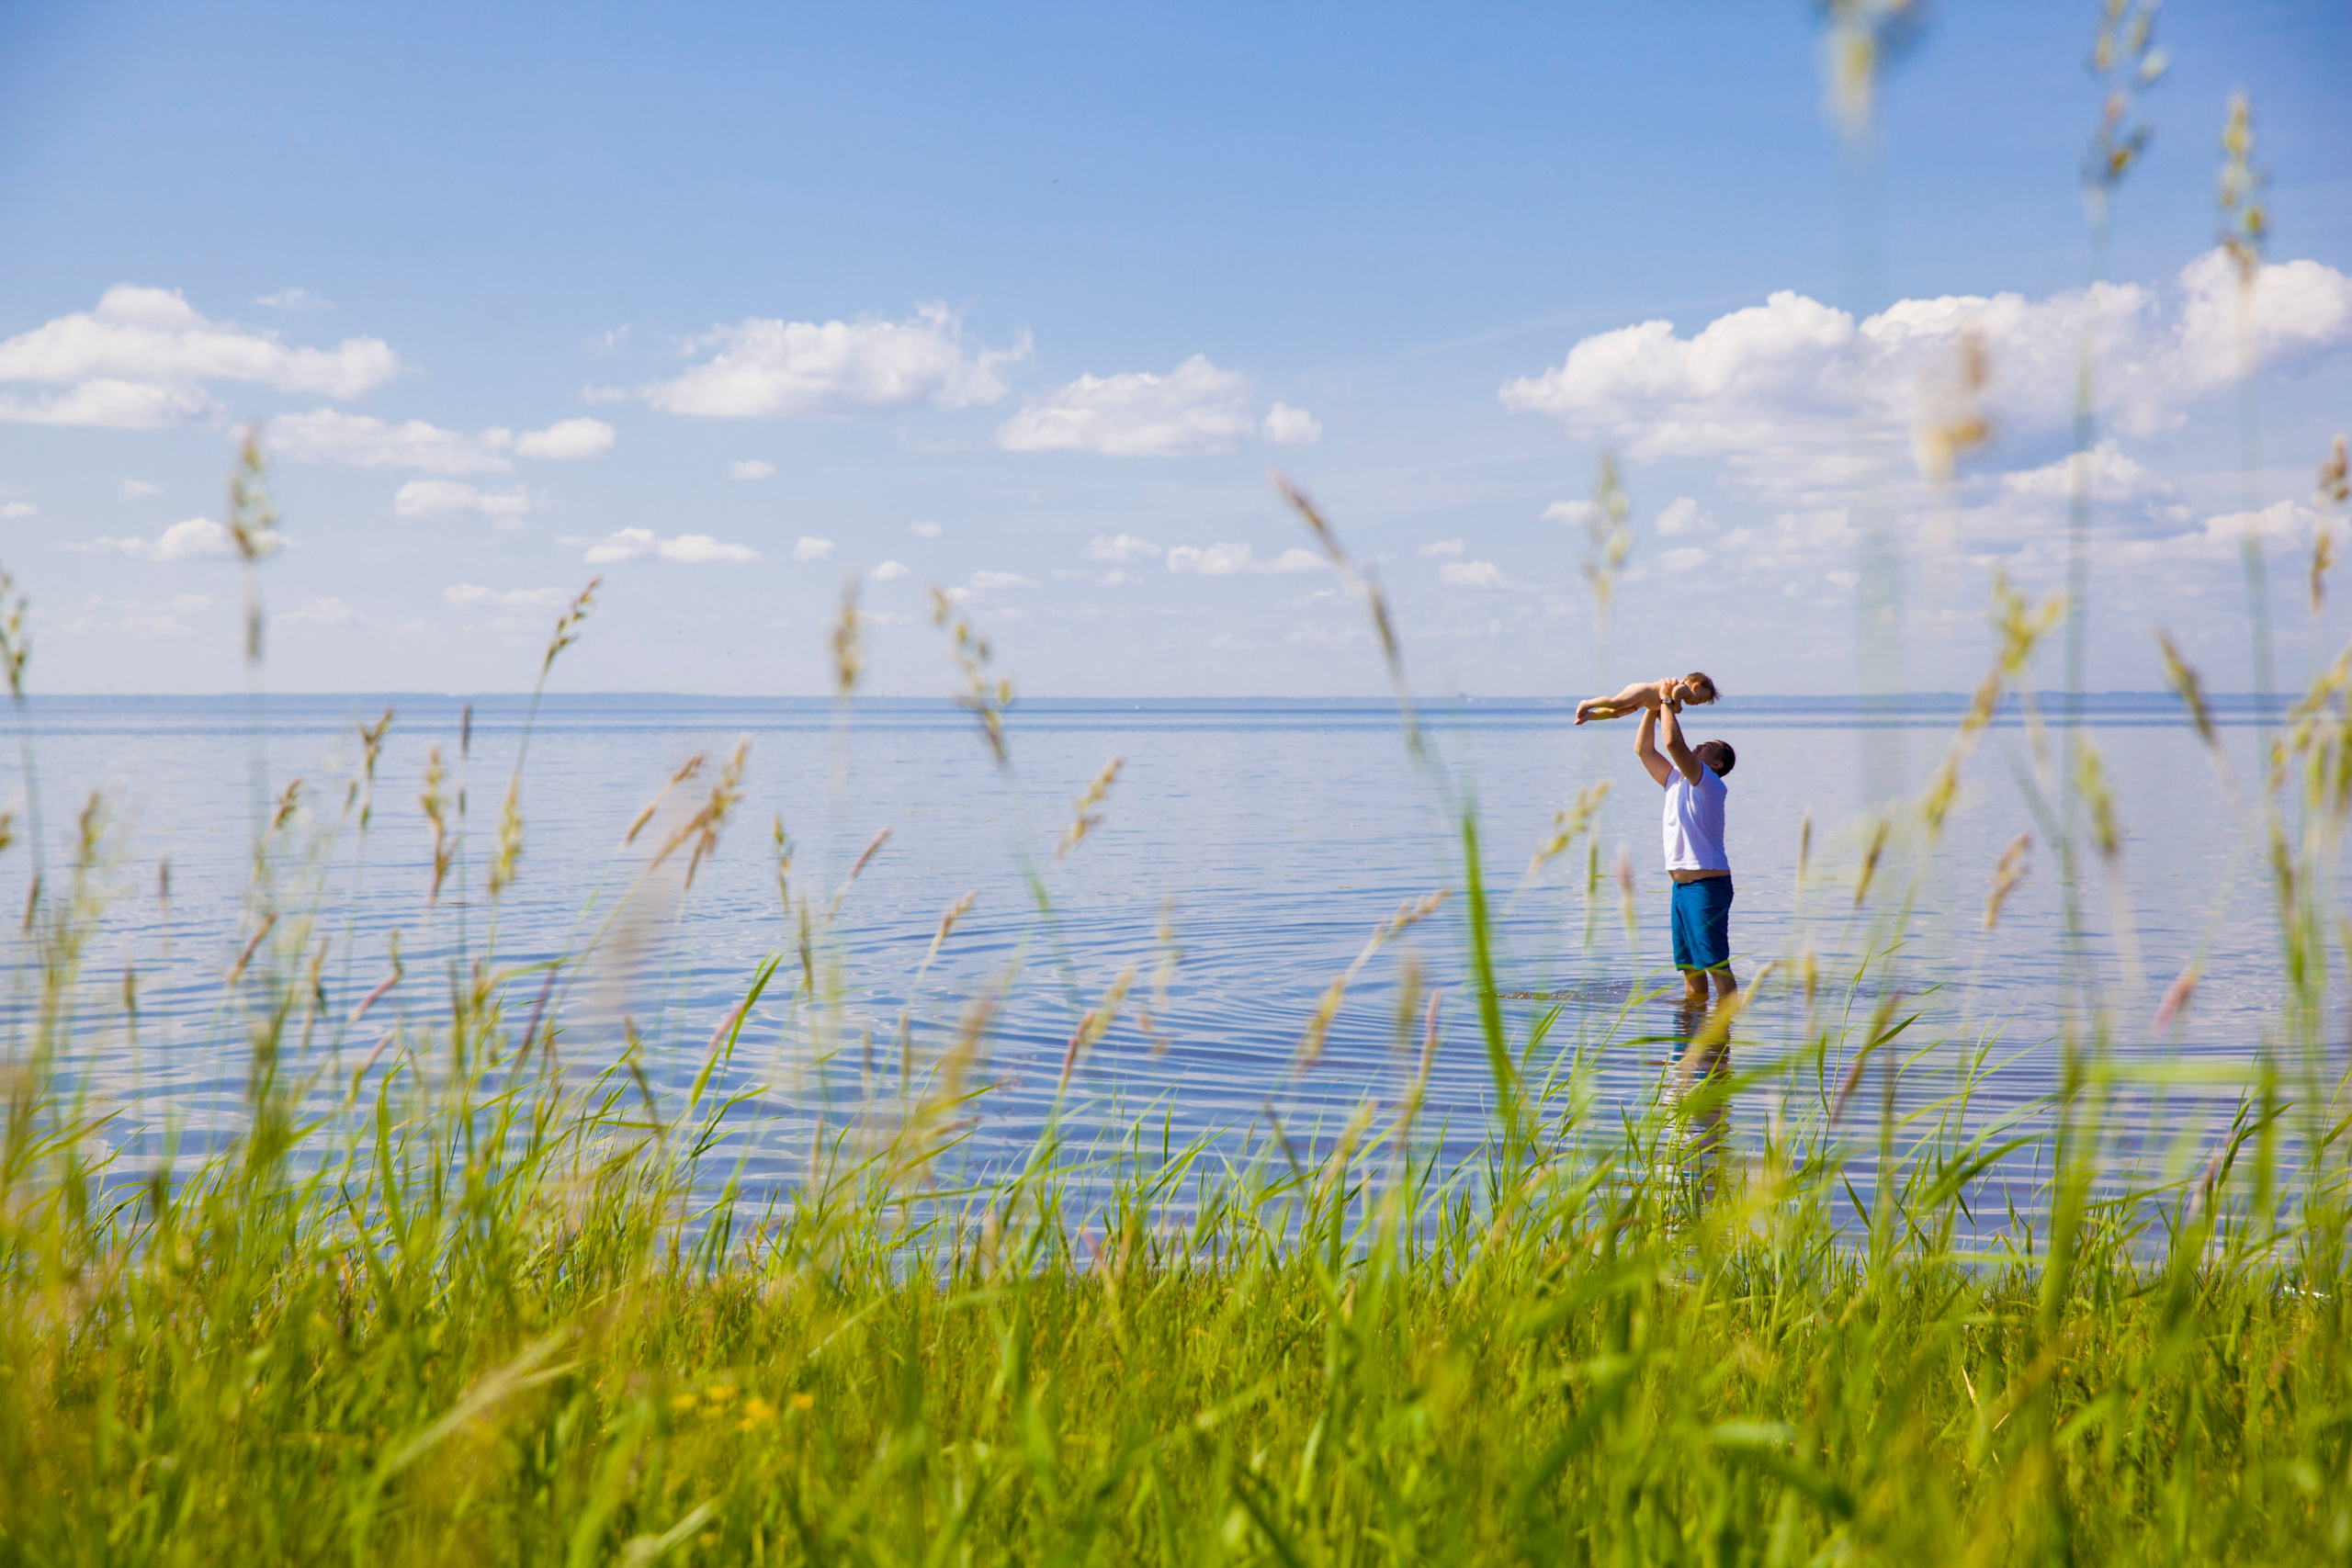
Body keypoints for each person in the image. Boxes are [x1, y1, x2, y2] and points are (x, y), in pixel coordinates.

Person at [1634, 698, 1736, 1007]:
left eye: (1708, 746)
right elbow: (1645, 750)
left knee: (1716, 964)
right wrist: (1651, 709)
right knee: (1690, 970)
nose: (1699, 745)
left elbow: (1672, 742)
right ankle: (1693, 1029)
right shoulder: (1675, 781)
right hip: (1681, 888)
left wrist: (1665, 699)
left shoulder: (1709, 784)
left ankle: (1725, 1033)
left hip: (1707, 888)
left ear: (1716, 764)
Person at [1575, 671, 1717, 726]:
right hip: (1640, 692)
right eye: (1699, 699)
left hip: (1641, 703)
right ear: (1696, 687)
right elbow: (1676, 695)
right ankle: (1587, 704)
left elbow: (1665, 711)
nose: (1696, 704)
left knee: (1616, 713)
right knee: (1615, 703)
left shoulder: (1680, 692)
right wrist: (1677, 707)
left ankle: (1590, 716)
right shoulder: (1683, 687)